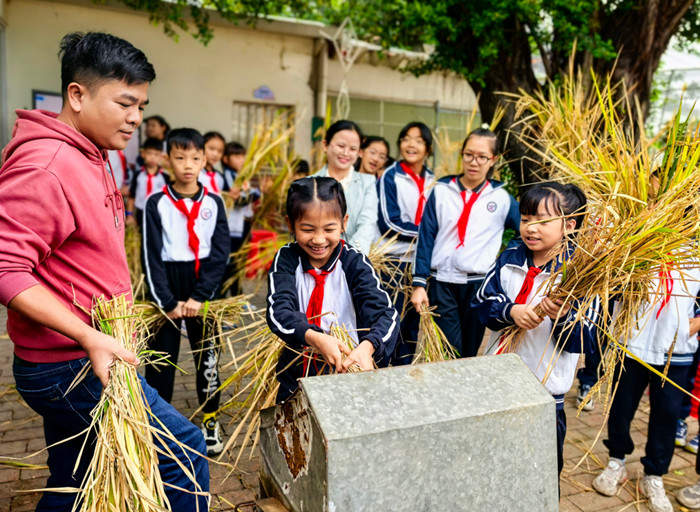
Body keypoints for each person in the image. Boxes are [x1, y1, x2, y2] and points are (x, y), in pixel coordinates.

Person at [0, 32, 209, 510]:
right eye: (125, 103)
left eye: (142, 105)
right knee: (185, 452)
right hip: (73, 363)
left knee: (73, 479)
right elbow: (6, 266)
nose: (137, 117)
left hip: (80, 356)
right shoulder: (47, 164)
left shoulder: (90, 151)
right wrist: (90, 336)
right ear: (77, 95)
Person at [473, 182, 598, 480]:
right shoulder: (511, 255)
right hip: (500, 381)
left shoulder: (580, 273)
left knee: (539, 473)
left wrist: (563, 317)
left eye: (542, 221)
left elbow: (587, 339)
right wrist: (510, 311)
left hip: (545, 391)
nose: (531, 228)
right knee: (496, 464)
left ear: (568, 225)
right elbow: (480, 301)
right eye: (526, 218)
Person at [266, 177, 399, 402]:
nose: (319, 239)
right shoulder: (286, 260)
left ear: (344, 223)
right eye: (308, 229)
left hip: (347, 369)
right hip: (297, 369)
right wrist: (313, 337)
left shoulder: (355, 263)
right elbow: (279, 313)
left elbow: (387, 316)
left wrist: (368, 347)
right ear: (291, 225)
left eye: (329, 229)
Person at [142, 128, 229, 456]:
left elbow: (220, 254)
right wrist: (166, 301)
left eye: (195, 158)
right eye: (179, 158)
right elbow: (150, 256)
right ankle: (159, 425)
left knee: (208, 356)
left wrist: (201, 296)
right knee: (161, 361)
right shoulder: (156, 203)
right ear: (167, 161)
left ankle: (209, 420)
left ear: (205, 160)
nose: (188, 165)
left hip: (202, 286)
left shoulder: (214, 203)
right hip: (167, 285)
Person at [592, 257, 700, 512]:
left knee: (667, 412)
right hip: (632, 339)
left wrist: (695, 322)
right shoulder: (640, 236)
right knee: (621, 404)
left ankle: (654, 475)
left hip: (677, 347)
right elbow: (612, 284)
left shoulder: (696, 250)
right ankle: (616, 461)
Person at [411, 128, 519, 358]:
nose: (474, 162)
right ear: (462, 154)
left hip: (478, 287)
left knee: (470, 352)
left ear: (493, 160)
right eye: (469, 154)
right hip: (443, 284)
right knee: (449, 350)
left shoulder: (501, 199)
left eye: (482, 157)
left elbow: (526, 232)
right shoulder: (441, 192)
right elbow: (426, 238)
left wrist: (503, 263)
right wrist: (419, 283)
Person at [376, 121, 435, 364]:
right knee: (390, 324)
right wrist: (428, 233)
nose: (411, 144)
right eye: (406, 138)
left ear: (428, 148)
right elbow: (389, 224)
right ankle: (381, 373)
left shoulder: (434, 180)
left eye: (418, 140)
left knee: (411, 328)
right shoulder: (390, 176)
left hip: (421, 265)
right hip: (394, 262)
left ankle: (403, 374)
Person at [311, 120, 378, 255]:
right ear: (325, 144)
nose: (346, 153)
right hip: (315, 258)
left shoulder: (368, 183)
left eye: (353, 149)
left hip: (354, 260)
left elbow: (367, 225)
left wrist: (349, 259)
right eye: (341, 146)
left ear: (359, 152)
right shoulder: (309, 183)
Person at [221, 141, 258, 296]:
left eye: (243, 156)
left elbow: (251, 196)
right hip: (231, 228)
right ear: (226, 159)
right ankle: (224, 295)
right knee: (229, 262)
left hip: (244, 225)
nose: (241, 160)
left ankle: (238, 295)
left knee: (240, 262)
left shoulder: (243, 177)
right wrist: (253, 195)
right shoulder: (226, 177)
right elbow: (239, 201)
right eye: (236, 156)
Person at [126, 137, 169, 227]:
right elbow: (132, 196)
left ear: (161, 157)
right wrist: (129, 215)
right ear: (143, 154)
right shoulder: (138, 175)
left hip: (160, 212)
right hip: (141, 211)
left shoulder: (165, 177)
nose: (152, 157)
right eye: (149, 153)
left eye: (156, 154)